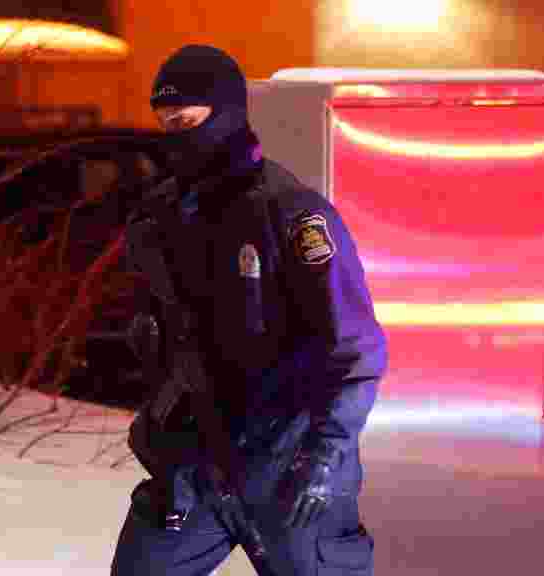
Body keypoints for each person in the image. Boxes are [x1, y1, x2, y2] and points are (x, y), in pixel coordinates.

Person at [112, 45, 387, 576]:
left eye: (189, 120)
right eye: (166, 122)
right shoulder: (161, 217)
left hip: (290, 470)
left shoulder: (292, 215)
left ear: (231, 114)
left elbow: (355, 349)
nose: (177, 135)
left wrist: (324, 455)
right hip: (195, 468)